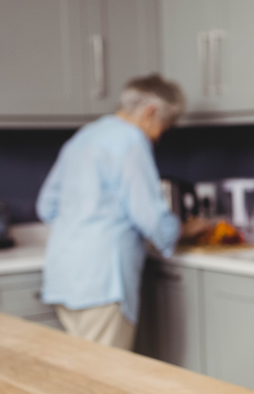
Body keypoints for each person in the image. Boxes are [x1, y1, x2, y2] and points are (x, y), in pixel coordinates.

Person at [37, 74, 185, 350]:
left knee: (82, 370)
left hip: (65, 273)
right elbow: (149, 217)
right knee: (105, 379)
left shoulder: (85, 135)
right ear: (150, 112)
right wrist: (177, 230)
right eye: (165, 125)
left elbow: (47, 206)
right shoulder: (131, 141)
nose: (160, 135)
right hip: (103, 280)